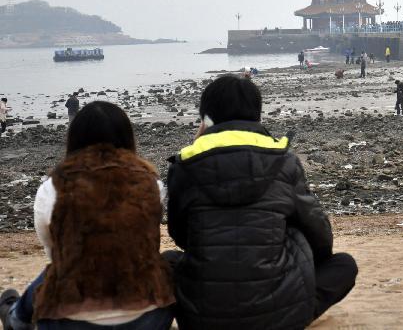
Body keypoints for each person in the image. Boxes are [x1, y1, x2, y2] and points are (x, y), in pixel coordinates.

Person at [166, 76, 357, 330]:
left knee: (167, 261)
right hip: (281, 316)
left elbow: (180, 235)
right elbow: (319, 233)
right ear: (257, 115)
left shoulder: (184, 167)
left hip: (202, 319)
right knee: (343, 264)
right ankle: (295, 310)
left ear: (205, 120)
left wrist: (197, 145)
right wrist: (306, 260)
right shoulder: (283, 161)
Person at [0, 102, 175, 330]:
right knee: (169, 263)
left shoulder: (52, 188)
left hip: (71, 319)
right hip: (146, 316)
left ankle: (15, 317)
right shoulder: (151, 184)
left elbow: (52, 249)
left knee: (56, 271)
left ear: (73, 140)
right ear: (127, 138)